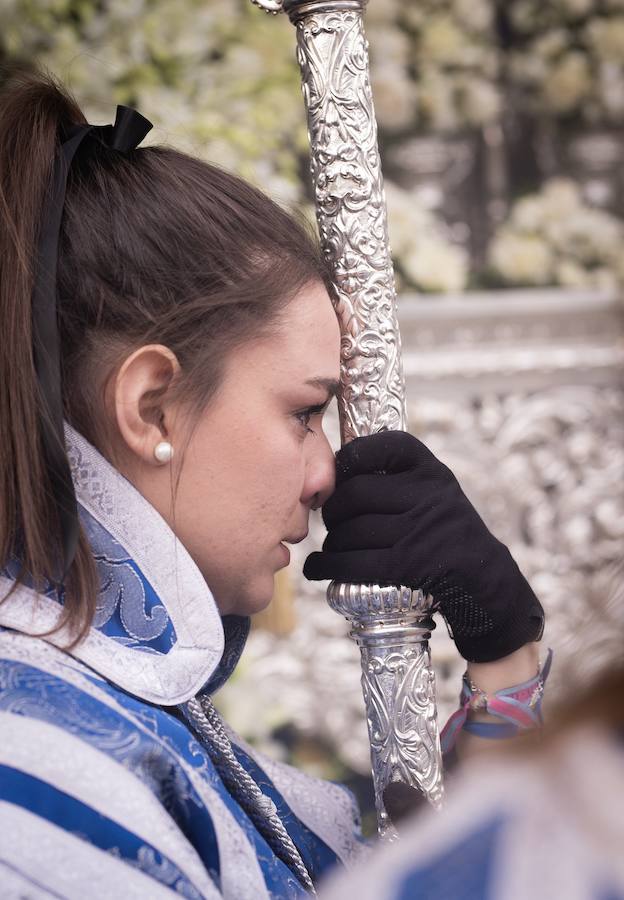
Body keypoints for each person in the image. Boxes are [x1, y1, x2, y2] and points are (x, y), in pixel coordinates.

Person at [0, 70, 546, 899]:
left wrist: (504, 658)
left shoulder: (126, 704)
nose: (328, 473)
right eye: (304, 412)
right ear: (152, 408)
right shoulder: (41, 765)